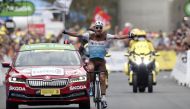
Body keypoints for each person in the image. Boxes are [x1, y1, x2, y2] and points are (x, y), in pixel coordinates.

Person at [63, 20, 128, 108]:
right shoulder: (89, 35)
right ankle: (91, 86)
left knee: (102, 78)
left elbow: (118, 37)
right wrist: (66, 32)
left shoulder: (106, 36)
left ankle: (104, 98)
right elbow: (77, 34)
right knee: (90, 70)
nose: (98, 29)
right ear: (95, 29)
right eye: (96, 28)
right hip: (92, 61)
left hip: (101, 62)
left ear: (102, 29)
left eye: (100, 28)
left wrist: (129, 36)